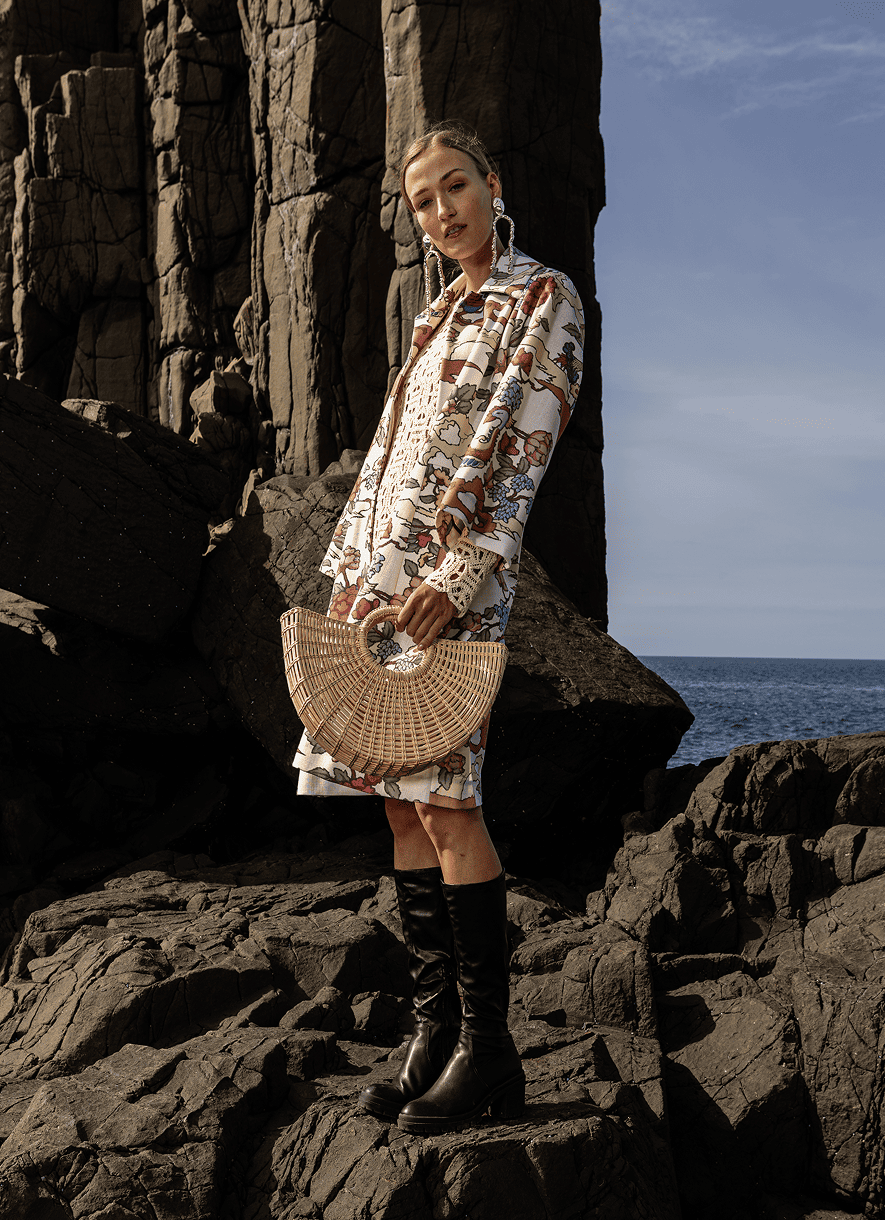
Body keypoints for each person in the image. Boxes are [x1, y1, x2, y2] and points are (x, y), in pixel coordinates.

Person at [293, 122, 584, 1134]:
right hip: (379, 582)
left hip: (454, 586)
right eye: (423, 200)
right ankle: (434, 1032)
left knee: (450, 803)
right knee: (397, 802)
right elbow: (389, 457)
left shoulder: (541, 298)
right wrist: (350, 576)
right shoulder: (435, 314)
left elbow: (526, 448)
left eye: (454, 186)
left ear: (490, 185)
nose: (441, 210)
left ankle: (489, 1053)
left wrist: (458, 578)